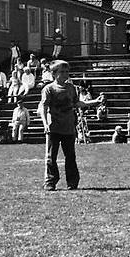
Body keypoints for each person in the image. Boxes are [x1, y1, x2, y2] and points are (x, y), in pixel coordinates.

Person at [38, 60, 103, 190]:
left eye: (67, 72)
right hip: (53, 127)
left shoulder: (71, 88)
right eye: (62, 72)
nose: (65, 74)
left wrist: (94, 102)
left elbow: (77, 103)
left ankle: (72, 182)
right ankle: (50, 181)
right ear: (54, 73)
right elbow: (44, 108)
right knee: (51, 157)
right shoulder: (49, 89)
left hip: (68, 126)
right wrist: (45, 124)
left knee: (70, 156)